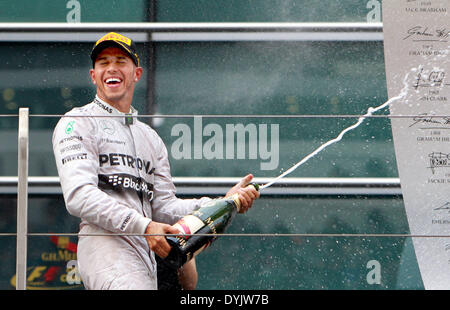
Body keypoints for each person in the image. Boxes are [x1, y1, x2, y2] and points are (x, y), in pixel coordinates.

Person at [52, 32, 259, 290]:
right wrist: (144, 225)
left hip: (147, 256)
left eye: (120, 61)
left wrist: (223, 202)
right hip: (105, 251)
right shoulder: (76, 122)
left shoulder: (150, 138)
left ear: (136, 74)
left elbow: (164, 207)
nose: (111, 68)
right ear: (93, 76)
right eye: (103, 63)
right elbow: (79, 196)